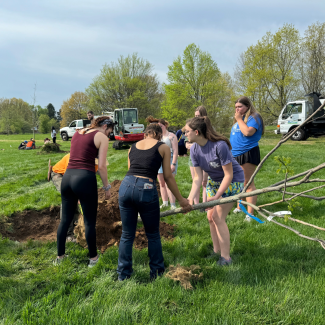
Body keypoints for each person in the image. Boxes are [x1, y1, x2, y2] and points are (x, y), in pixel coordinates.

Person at [117, 123, 191, 281]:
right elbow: (168, 176)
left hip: (125, 187)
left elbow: (131, 170)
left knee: (127, 234)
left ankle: (123, 275)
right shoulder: (162, 147)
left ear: (145, 134)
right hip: (145, 188)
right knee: (152, 234)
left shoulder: (132, 147)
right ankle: (156, 272)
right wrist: (182, 200)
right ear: (159, 135)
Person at [55, 116, 113, 267]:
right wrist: (107, 187)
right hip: (84, 179)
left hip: (67, 178)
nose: (108, 136)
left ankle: (60, 257)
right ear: (105, 127)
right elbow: (101, 167)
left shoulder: (77, 132)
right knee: (89, 222)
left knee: (65, 219)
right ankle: (93, 259)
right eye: (109, 132)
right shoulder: (101, 137)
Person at [185, 117, 244, 266]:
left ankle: (226, 258)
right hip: (214, 182)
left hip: (233, 181)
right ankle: (216, 251)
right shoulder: (194, 150)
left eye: (187, 131)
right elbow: (197, 178)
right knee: (210, 216)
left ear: (196, 132)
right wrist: (190, 198)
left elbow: (229, 175)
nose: (185, 134)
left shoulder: (220, 146)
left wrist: (217, 197)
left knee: (218, 217)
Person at [230, 96, 264, 222]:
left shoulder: (254, 117)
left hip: (248, 152)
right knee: (238, 182)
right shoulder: (241, 118)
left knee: (247, 183)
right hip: (235, 153)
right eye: (236, 107)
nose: (237, 109)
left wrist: (238, 119)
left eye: (240, 107)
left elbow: (248, 132)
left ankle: (250, 214)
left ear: (248, 106)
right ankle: (240, 207)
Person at [147, 117, 179, 210]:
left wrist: (173, 164)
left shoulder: (171, 136)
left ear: (165, 125)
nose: (159, 127)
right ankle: (165, 203)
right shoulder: (157, 136)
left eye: (161, 126)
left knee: (170, 182)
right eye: (158, 126)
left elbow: (176, 151)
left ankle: (173, 204)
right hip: (159, 160)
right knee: (161, 183)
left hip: (170, 160)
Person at [49, 154, 79, 241]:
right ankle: (67, 234)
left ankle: (77, 227)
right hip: (59, 175)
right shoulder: (72, 159)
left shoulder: (94, 162)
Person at [185, 106, 208, 207]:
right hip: (193, 157)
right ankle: (196, 204)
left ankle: (205, 204)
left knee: (204, 181)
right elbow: (187, 144)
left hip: (206, 157)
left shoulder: (207, 127)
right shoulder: (191, 127)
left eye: (199, 116)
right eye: (195, 116)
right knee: (196, 179)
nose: (197, 118)